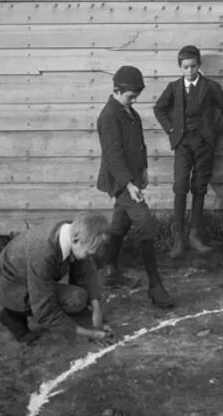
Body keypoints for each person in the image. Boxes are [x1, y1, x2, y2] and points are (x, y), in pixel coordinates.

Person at [96, 65, 175, 309]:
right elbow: (113, 155)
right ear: (116, 90)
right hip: (121, 182)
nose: (134, 100)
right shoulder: (109, 116)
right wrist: (128, 184)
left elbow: (138, 145)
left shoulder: (130, 112)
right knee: (145, 222)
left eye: (136, 96)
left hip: (133, 178)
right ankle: (155, 285)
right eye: (131, 96)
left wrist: (144, 170)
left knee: (120, 223)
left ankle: (108, 271)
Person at [154, 45, 223, 259]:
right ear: (180, 67)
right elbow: (159, 108)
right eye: (185, 67)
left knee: (199, 187)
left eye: (193, 66)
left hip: (204, 144)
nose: (189, 71)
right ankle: (178, 238)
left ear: (199, 65)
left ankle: (195, 235)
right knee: (180, 186)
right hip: (182, 143)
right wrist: (171, 128)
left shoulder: (210, 87)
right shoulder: (174, 87)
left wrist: (214, 131)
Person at [0, 212, 114, 345]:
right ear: (76, 240)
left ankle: (15, 310)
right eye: (88, 253)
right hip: (7, 286)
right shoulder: (43, 253)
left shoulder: (74, 233)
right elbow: (44, 309)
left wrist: (95, 313)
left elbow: (86, 273)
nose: (89, 258)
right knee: (75, 298)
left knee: (78, 296)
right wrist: (89, 333)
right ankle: (13, 314)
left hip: (25, 278)